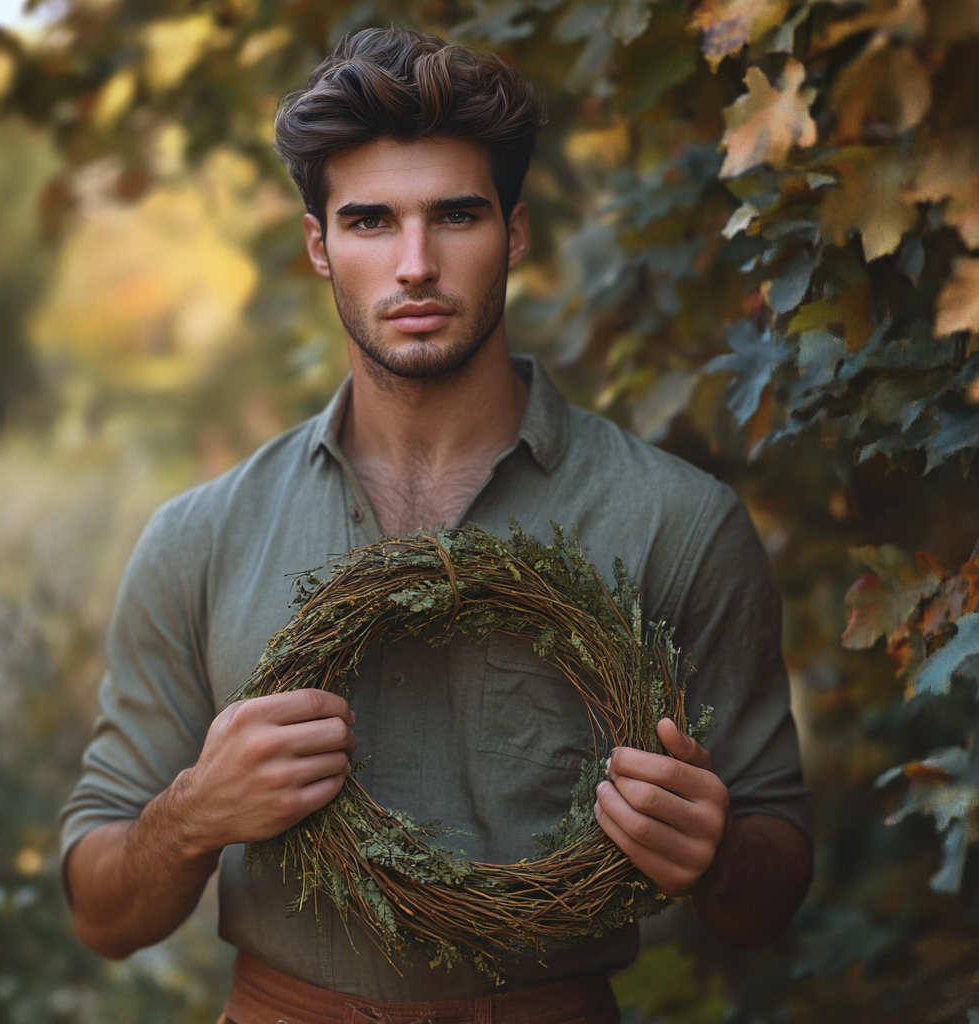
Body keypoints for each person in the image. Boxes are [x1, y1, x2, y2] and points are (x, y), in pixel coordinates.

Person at [60, 27, 813, 1024]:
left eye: (454, 215)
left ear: (515, 231)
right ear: (319, 245)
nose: (414, 264)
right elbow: (104, 913)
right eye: (371, 221)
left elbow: (772, 884)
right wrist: (193, 814)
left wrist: (714, 851)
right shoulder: (202, 537)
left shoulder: (676, 521)